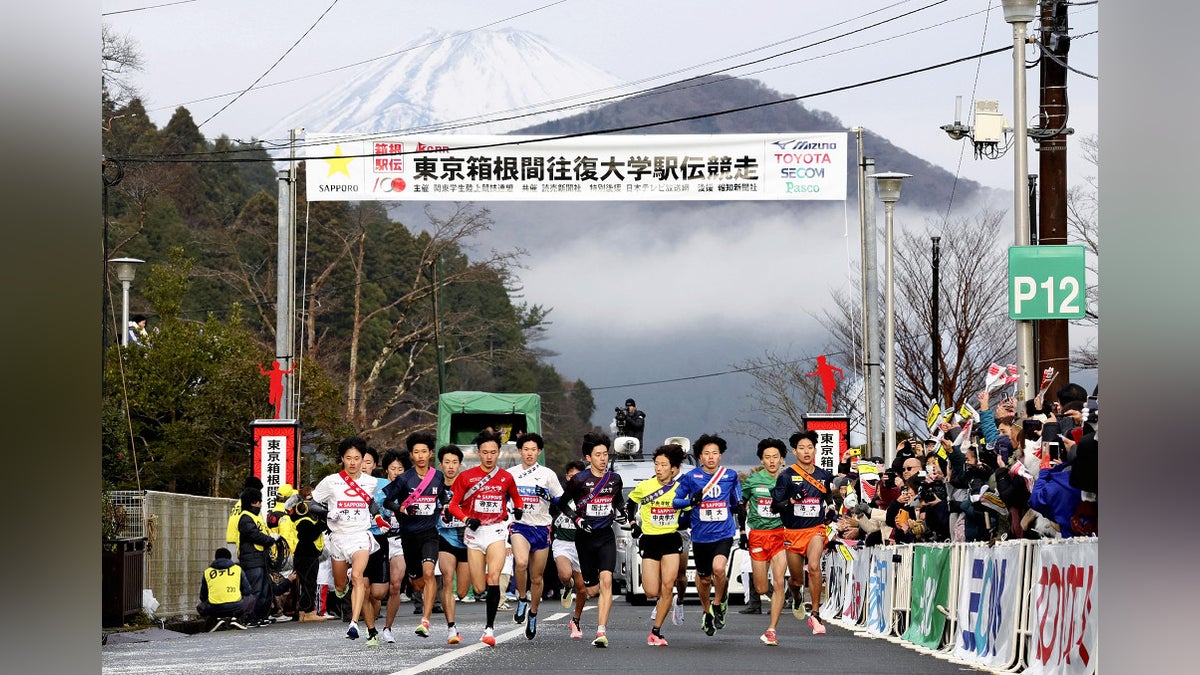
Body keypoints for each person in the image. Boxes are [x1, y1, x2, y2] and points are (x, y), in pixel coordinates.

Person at [446, 429, 525, 647]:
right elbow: (453, 506)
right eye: (484, 452)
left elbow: (517, 499)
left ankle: (489, 629)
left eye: (493, 452)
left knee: (494, 578)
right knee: (479, 587)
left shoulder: (506, 477)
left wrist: (518, 509)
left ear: (499, 452)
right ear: (478, 453)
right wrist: (466, 519)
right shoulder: (465, 477)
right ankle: (485, 607)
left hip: (496, 531)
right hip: (474, 534)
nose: (489, 456)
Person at [311, 436, 382, 646]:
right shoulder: (331, 481)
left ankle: (353, 623)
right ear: (342, 459)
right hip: (338, 539)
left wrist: (378, 518)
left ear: (363, 460)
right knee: (342, 584)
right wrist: (327, 514)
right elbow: (312, 503)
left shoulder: (371, 482)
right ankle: (371, 629)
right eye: (348, 458)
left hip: (360, 535)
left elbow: (369, 503)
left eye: (357, 458)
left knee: (359, 578)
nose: (353, 462)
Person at [560, 432, 626, 647]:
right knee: (591, 590)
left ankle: (601, 632)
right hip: (585, 538)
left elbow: (618, 502)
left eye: (605, 454)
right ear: (588, 458)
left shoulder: (615, 479)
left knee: (607, 581)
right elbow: (562, 504)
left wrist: (622, 513)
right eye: (598, 455)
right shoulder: (579, 480)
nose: (603, 458)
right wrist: (577, 519)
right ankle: (571, 588)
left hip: (606, 536)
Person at [672, 433, 741, 637]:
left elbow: (738, 501)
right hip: (701, 536)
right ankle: (706, 611)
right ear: (700, 457)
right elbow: (676, 502)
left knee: (719, 569)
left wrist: (739, 506)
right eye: (706, 454)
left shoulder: (730, 475)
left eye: (715, 453)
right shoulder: (691, 477)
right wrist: (691, 502)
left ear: (720, 456)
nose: (711, 457)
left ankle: (718, 604)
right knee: (703, 579)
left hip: (724, 533)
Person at [382, 432, 445, 641]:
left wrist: (446, 506)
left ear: (430, 453)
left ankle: (425, 621)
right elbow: (386, 501)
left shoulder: (437, 476)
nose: (420, 456)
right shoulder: (404, 479)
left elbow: (443, 496)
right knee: (418, 583)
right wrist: (401, 508)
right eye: (416, 452)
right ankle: (412, 581)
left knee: (430, 573)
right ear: (411, 454)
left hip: (430, 534)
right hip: (408, 536)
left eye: (424, 452)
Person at [771, 430, 835, 635]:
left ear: (815, 450)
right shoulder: (786, 476)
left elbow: (827, 498)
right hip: (792, 532)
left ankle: (815, 613)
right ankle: (797, 595)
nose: (806, 451)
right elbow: (775, 507)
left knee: (815, 566)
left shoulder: (823, 475)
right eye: (802, 448)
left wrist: (832, 509)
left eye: (810, 448)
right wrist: (792, 500)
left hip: (815, 529)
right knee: (797, 579)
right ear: (794, 451)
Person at [625, 443, 687, 647]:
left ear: (673, 468)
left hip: (671, 538)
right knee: (652, 591)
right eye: (656, 464)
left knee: (668, 585)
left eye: (663, 464)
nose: (659, 468)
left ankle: (656, 631)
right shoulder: (645, 486)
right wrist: (634, 524)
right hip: (650, 540)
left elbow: (689, 509)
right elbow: (631, 502)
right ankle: (665, 600)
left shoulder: (680, 488)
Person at [506, 432, 564, 640]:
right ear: (519, 451)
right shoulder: (510, 474)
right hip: (520, 525)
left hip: (541, 527)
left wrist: (547, 496)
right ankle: (522, 598)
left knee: (537, 577)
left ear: (539, 452)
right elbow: (503, 498)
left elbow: (560, 499)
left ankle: (533, 613)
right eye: (526, 449)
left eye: (533, 450)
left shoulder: (548, 474)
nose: (529, 453)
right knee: (520, 563)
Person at [742, 438, 789, 646]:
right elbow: (741, 502)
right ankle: (774, 594)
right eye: (767, 457)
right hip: (759, 535)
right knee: (761, 588)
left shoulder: (788, 479)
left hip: (781, 535)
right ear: (762, 460)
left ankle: (771, 630)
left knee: (779, 582)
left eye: (775, 457)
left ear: (782, 459)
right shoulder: (752, 481)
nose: (772, 461)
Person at [435, 445, 470, 644]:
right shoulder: (435, 486)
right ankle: (451, 627)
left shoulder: (467, 486)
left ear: (460, 465)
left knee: (463, 591)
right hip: (444, 538)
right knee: (447, 579)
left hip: (466, 540)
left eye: (454, 462)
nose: (450, 466)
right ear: (440, 465)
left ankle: (453, 618)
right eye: (447, 462)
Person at [375, 448, 407, 642]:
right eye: (392, 468)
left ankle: (388, 628)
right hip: (379, 539)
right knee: (378, 591)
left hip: (399, 541)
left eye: (400, 468)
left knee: (395, 585)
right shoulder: (377, 485)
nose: (396, 472)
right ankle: (372, 622)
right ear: (386, 469)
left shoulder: (410, 487)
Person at [234, 488, 279, 627]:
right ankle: (250, 617)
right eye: (258, 501)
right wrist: (270, 539)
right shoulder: (246, 517)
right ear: (254, 502)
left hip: (259, 559)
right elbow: (254, 535)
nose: (260, 504)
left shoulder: (253, 517)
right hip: (252, 560)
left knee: (265, 589)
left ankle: (261, 615)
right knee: (256, 590)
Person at [552, 460, 588, 634]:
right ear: (566, 477)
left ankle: (576, 620)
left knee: (582, 588)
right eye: (570, 476)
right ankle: (566, 587)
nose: (574, 479)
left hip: (581, 544)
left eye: (578, 476)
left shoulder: (587, 496)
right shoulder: (560, 494)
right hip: (562, 543)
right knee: (565, 575)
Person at [285, 484, 328, 622]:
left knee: (306, 584)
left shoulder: (303, 519)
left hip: (305, 554)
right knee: (309, 583)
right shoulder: (303, 519)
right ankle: (309, 612)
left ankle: (304, 612)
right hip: (307, 555)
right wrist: (322, 523)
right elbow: (309, 535)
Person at [196, 548, 254, 629]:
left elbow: (203, 596)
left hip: (215, 608)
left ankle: (215, 621)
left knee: (201, 606)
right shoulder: (237, 569)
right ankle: (238, 619)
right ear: (230, 558)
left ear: (215, 558)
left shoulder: (207, 572)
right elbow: (247, 590)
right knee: (251, 598)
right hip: (236, 606)